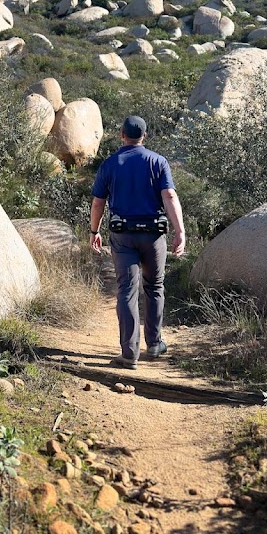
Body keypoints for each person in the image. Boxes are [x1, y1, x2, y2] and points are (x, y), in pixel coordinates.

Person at [89, 116, 185, 370]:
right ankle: (154, 344)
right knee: (154, 287)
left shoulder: (110, 164)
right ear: (144, 135)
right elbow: (169, 196)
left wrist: (94, 230)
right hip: (154, 236)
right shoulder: (158, 161)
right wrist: (180, 231)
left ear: (122, 135)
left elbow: (98, 202)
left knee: (127, 291)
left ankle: (129, 353)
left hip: (123, 237)